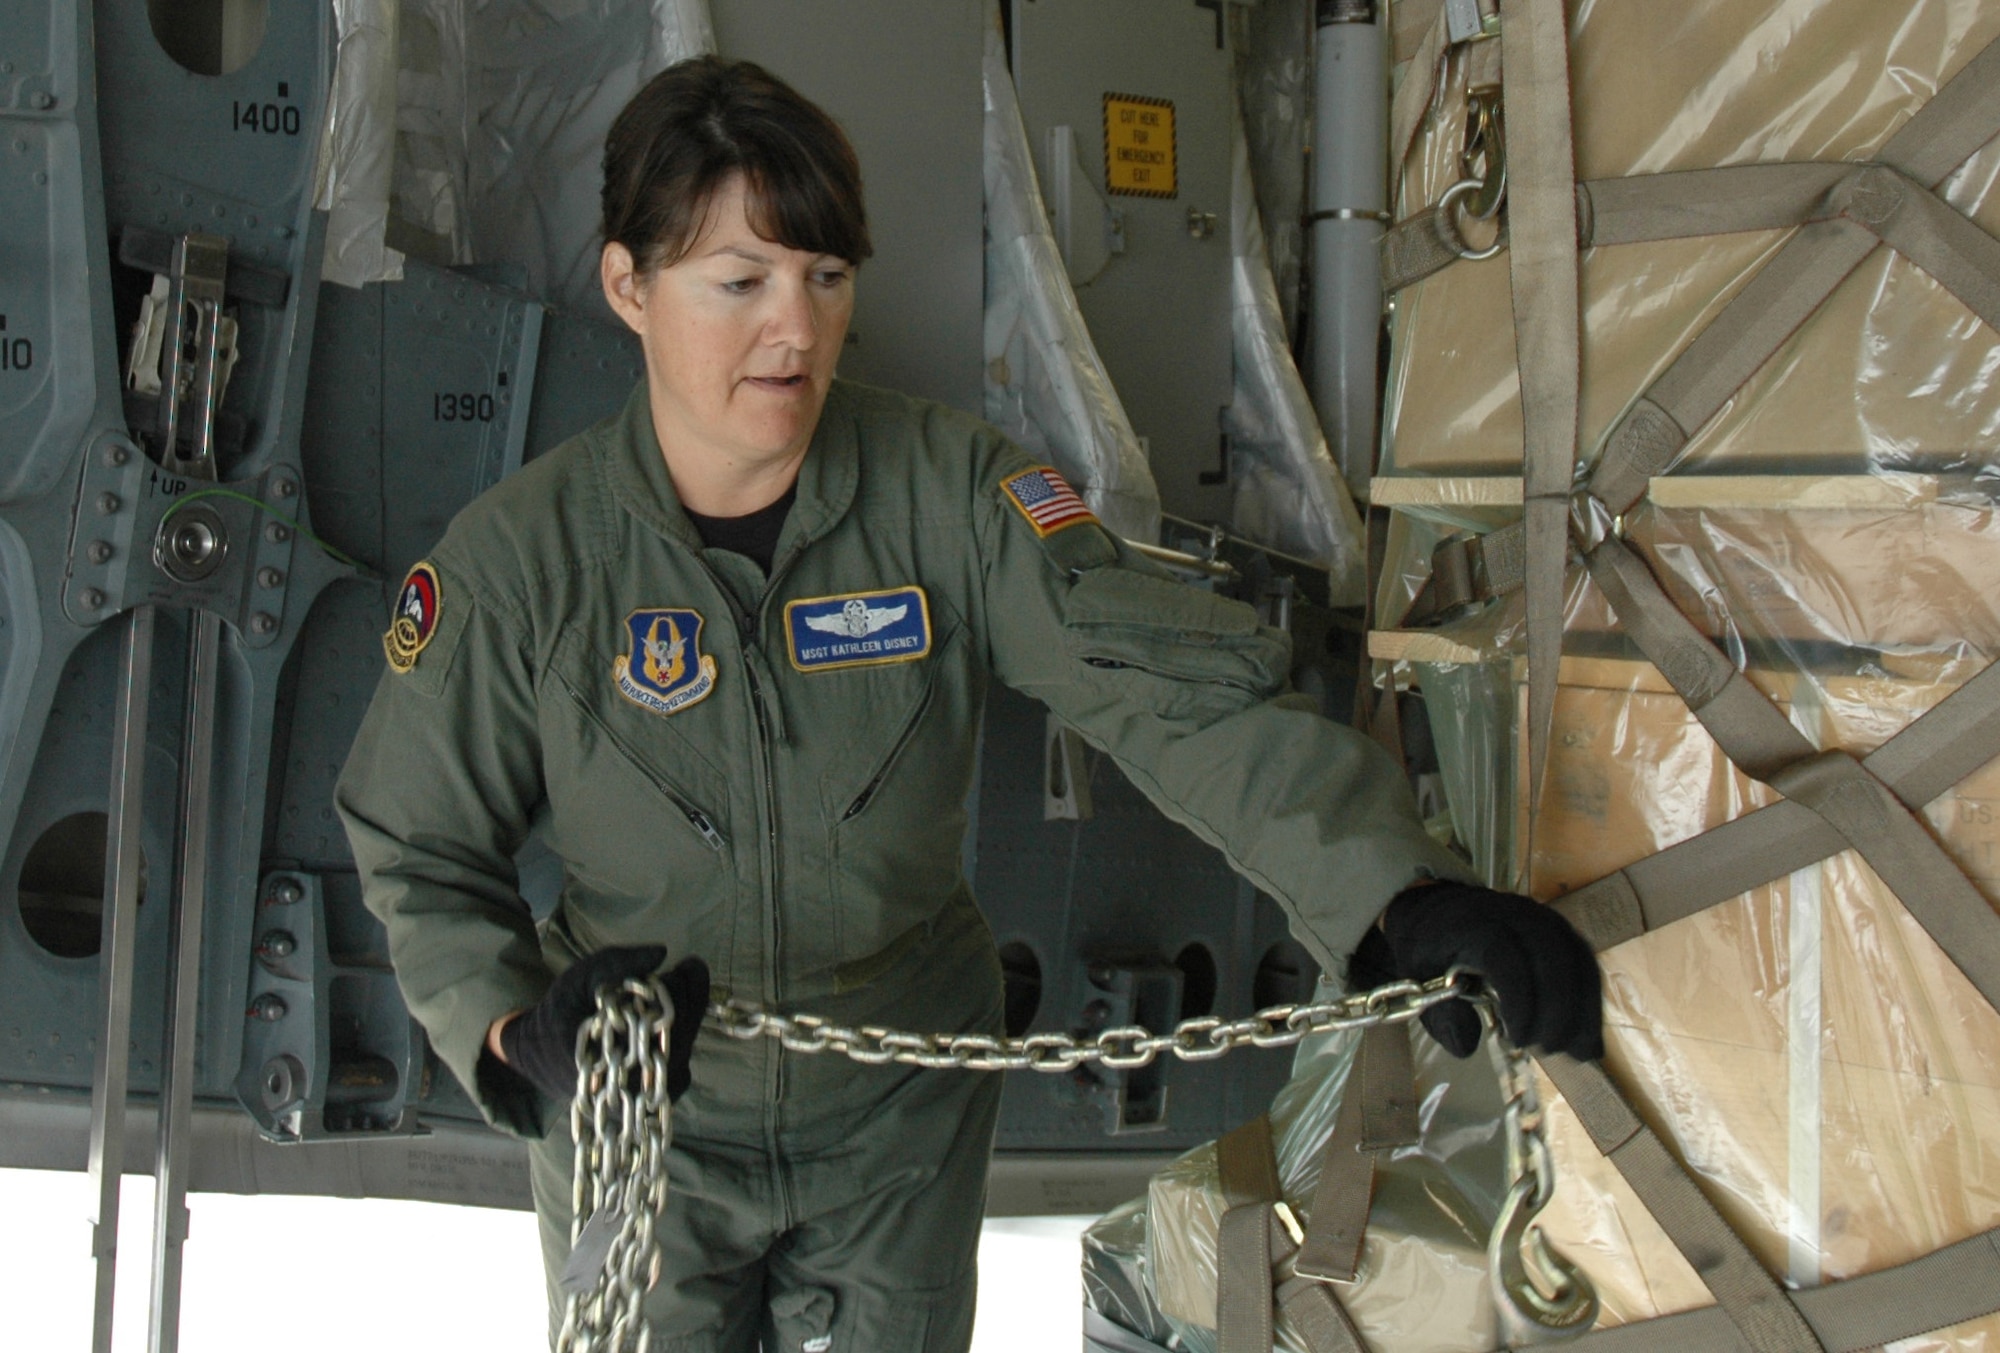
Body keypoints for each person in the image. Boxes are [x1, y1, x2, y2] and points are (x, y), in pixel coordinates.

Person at [335, 55, 1602, 1353]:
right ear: (629, 287)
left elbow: (1172, 697)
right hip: (650, 1116)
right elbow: (416, 842)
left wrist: (1397, 896)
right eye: (742, 282)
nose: (798, 327)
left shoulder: (947, 496)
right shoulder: (522, 564)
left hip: (898, 1116)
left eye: (826, 278)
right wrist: (512, 1029)